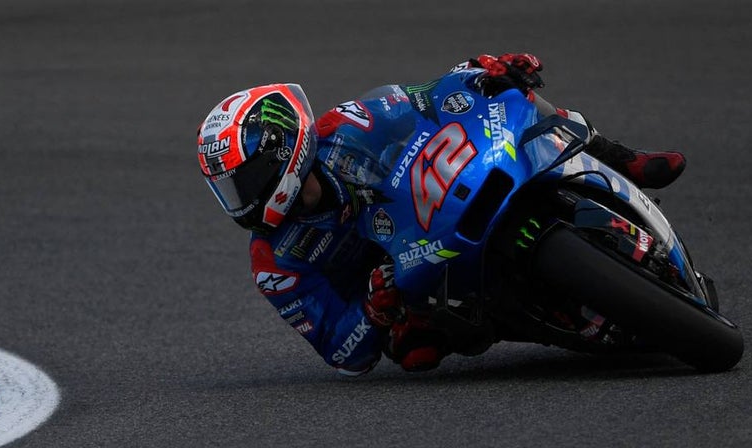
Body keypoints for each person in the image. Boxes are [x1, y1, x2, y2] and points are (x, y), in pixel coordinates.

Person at [196, 54, 686, 375]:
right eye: (227, 188)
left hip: (441, 201)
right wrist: (373, 308)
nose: (240, 199)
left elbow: (430, 98)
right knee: (415, 352)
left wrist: (481, 71)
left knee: (513, 93)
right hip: (407, 289)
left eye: (243, 180)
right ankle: (530, 321)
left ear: (283, 151)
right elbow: (343, 353)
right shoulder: (274, 263)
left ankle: (623, 157)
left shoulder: (347, 124)